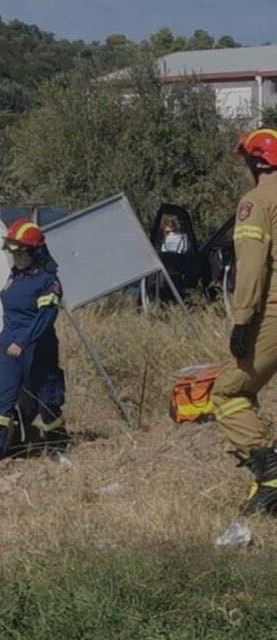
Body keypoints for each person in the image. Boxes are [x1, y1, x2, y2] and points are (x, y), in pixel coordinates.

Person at [210, 128, 277, 516]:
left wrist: (242, 320)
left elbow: (252, 267)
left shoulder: (255, 202)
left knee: (228, 393)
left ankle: (268, 469)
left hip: (270, 315)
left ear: (255, 163)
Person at [0, 219, 68, 474]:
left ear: (35, 252)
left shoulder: (48, 280)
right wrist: (10, 343)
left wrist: (23, 342)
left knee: (48, 402)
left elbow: (46, 318)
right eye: (12, 251)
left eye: (21, 252)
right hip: (8, 352)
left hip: (37, 351)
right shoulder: (16, 275)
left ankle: (58, 446)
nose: (15, 256)